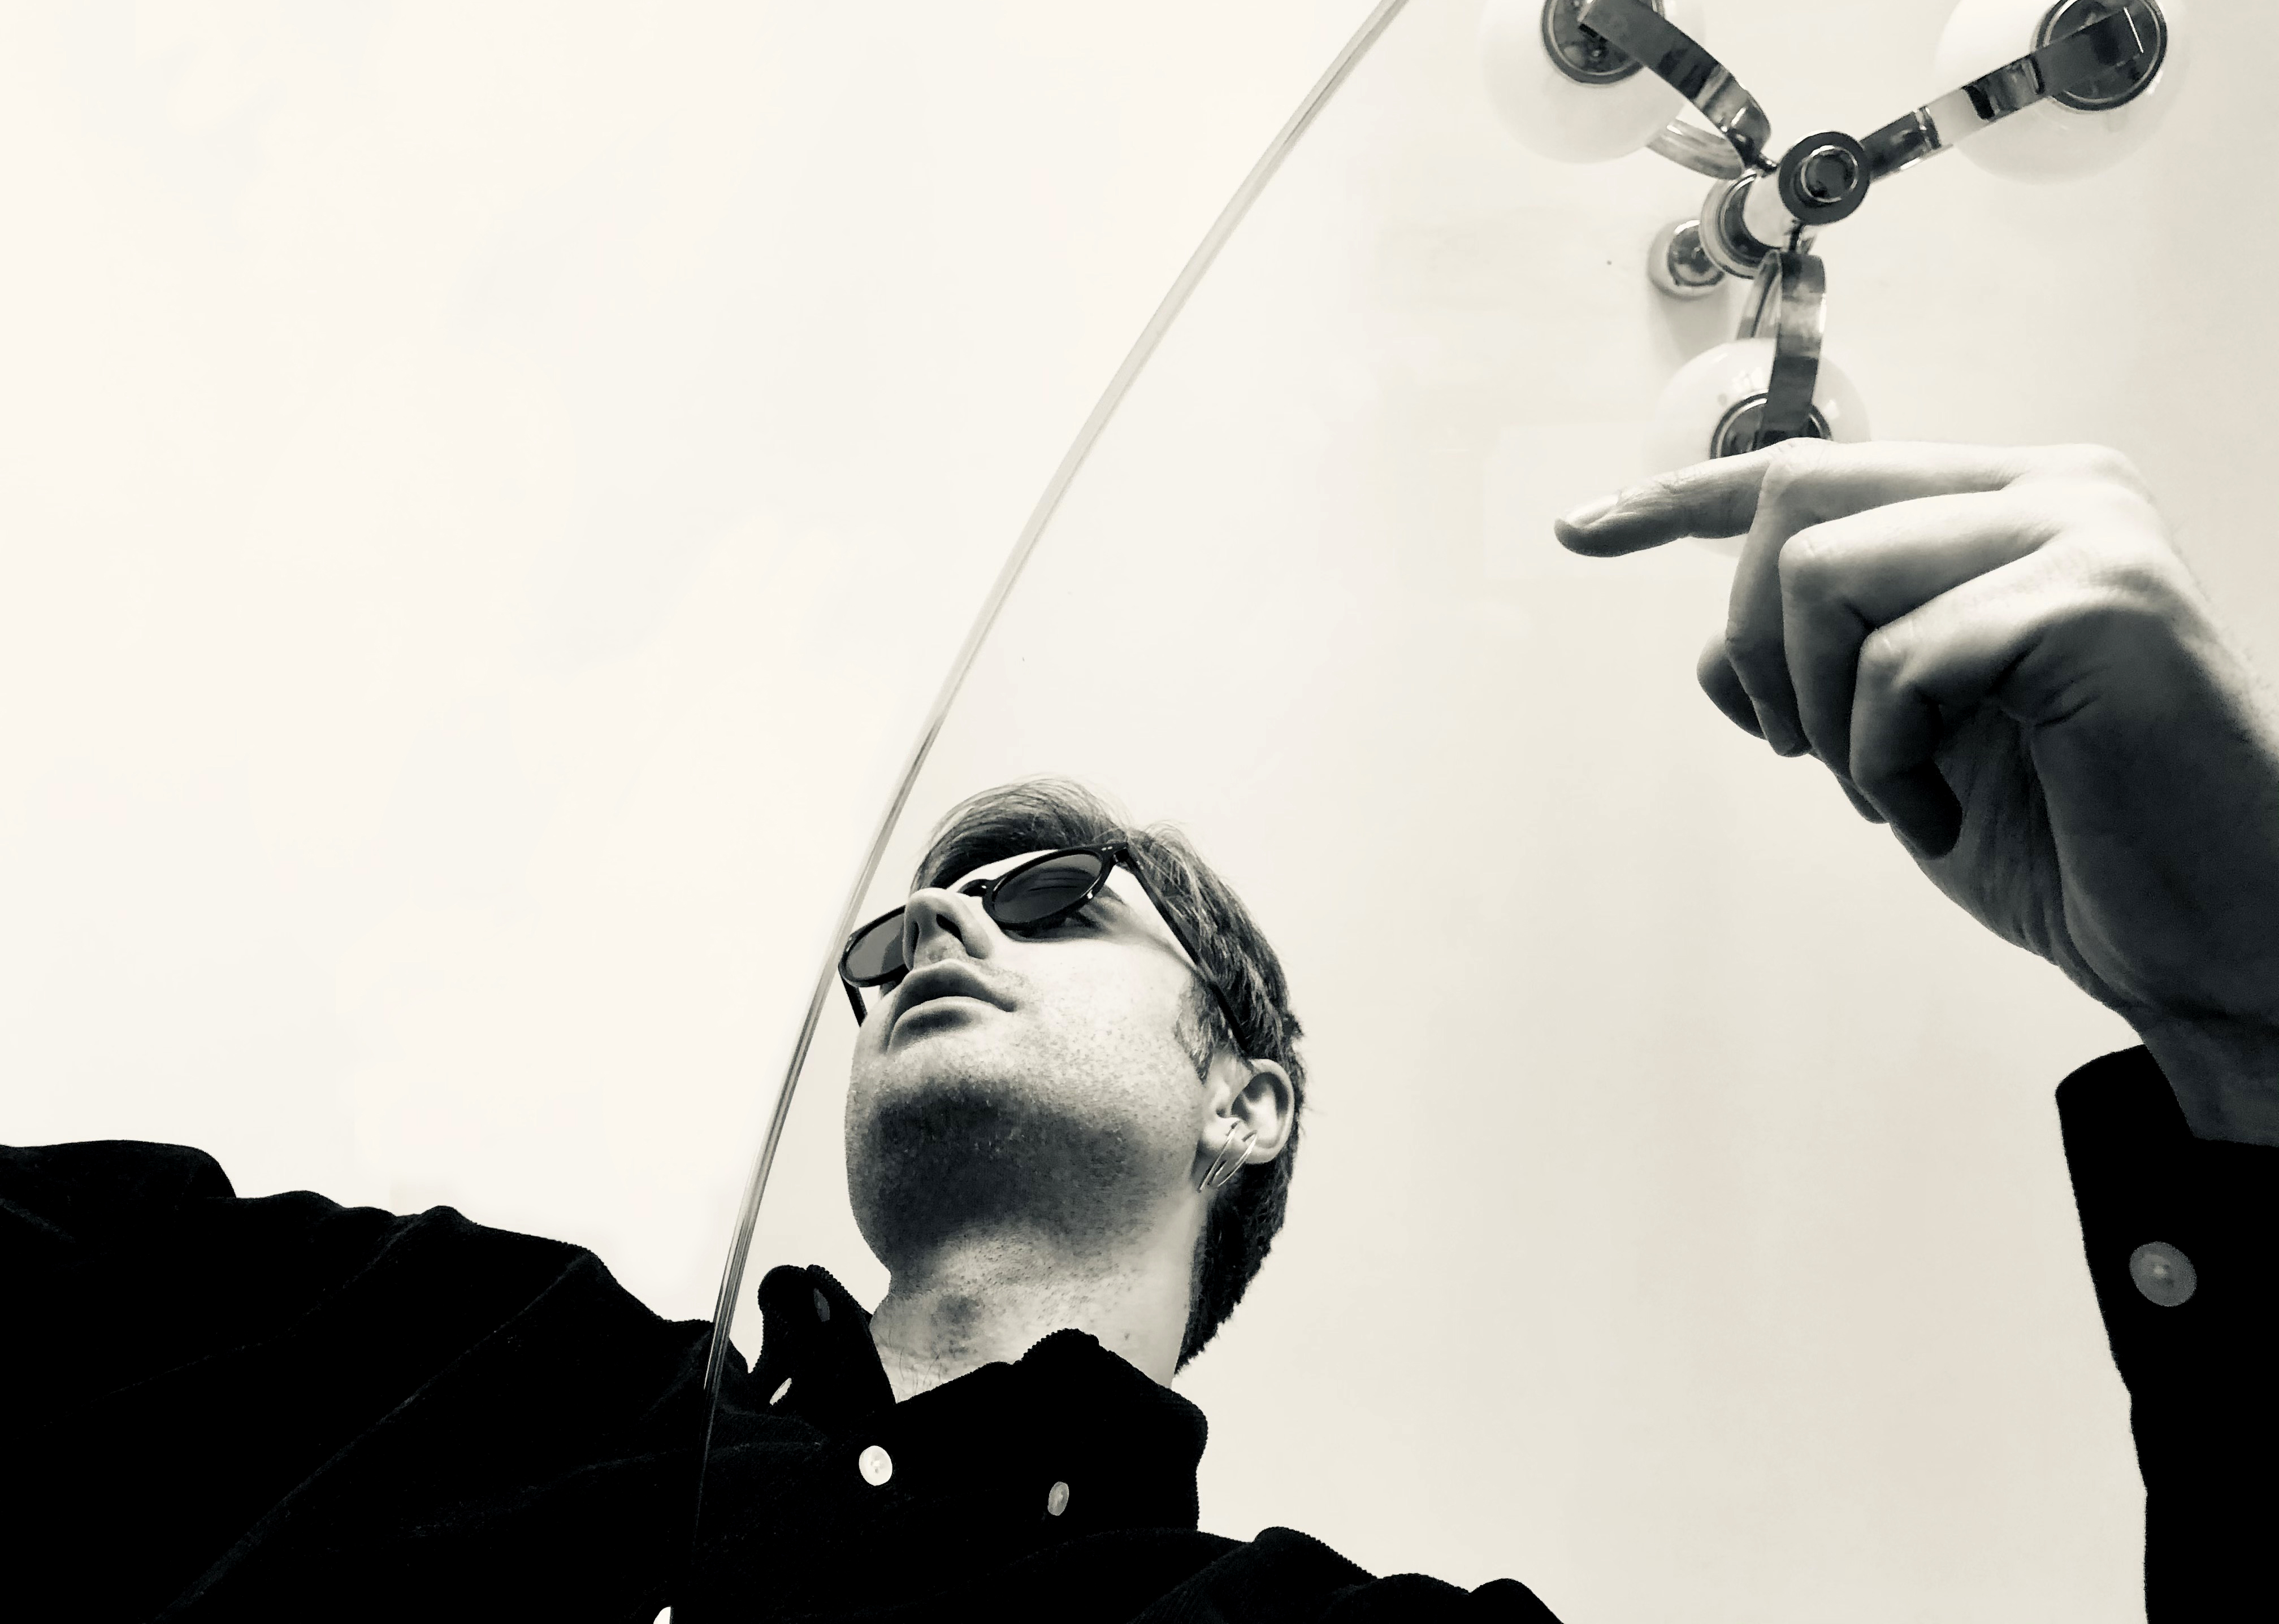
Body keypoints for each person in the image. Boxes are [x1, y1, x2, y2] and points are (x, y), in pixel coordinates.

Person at [7, 439, 2273, 1620]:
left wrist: (2250, 1022)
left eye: (1047, 903)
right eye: (899, 934)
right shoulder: (406, 1355)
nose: (934, 931)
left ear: (1247, 1095)